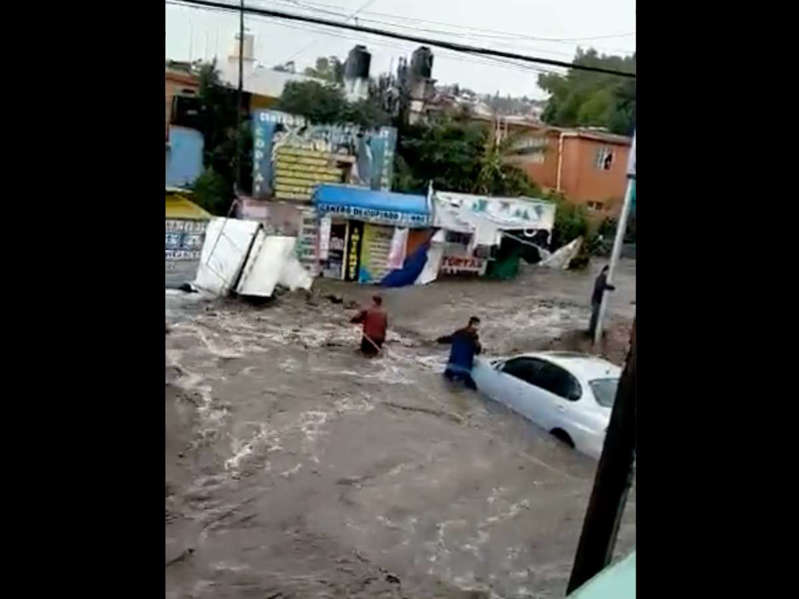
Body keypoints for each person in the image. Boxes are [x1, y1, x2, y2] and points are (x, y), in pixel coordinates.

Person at [437, 316, 482, 389]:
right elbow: (478, 352)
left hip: (450, 368)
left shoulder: (458, 333)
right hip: (464, 371)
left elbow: (442, 340)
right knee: (473, 390)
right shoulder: (474, 340)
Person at [589, 265, 616, 337]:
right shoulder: (601, 277)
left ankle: (593, 330)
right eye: (608, 271)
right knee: (595, 316)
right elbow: (600, 286)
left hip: (597, 300)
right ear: (605, 271)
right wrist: (609, 287)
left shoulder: (602, 278)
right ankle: (592, 332)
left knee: (596, 316)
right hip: (597, 300)